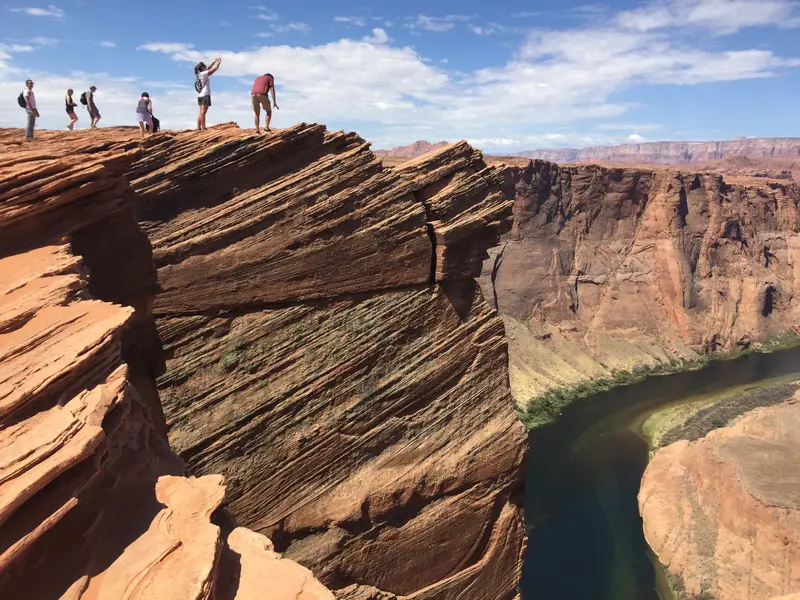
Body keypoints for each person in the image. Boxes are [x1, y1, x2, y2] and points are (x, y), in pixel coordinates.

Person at [195, 57, 221, 131]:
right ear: (202, 67)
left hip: (199, 95)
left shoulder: (199, 74)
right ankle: (203, 128)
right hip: (205, 94)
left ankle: (198, 127)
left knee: (200, 113)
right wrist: (219, 62)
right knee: (203, 112)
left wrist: (213, 62)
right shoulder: (204, 74)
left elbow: (208, 68)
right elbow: (214, 69)